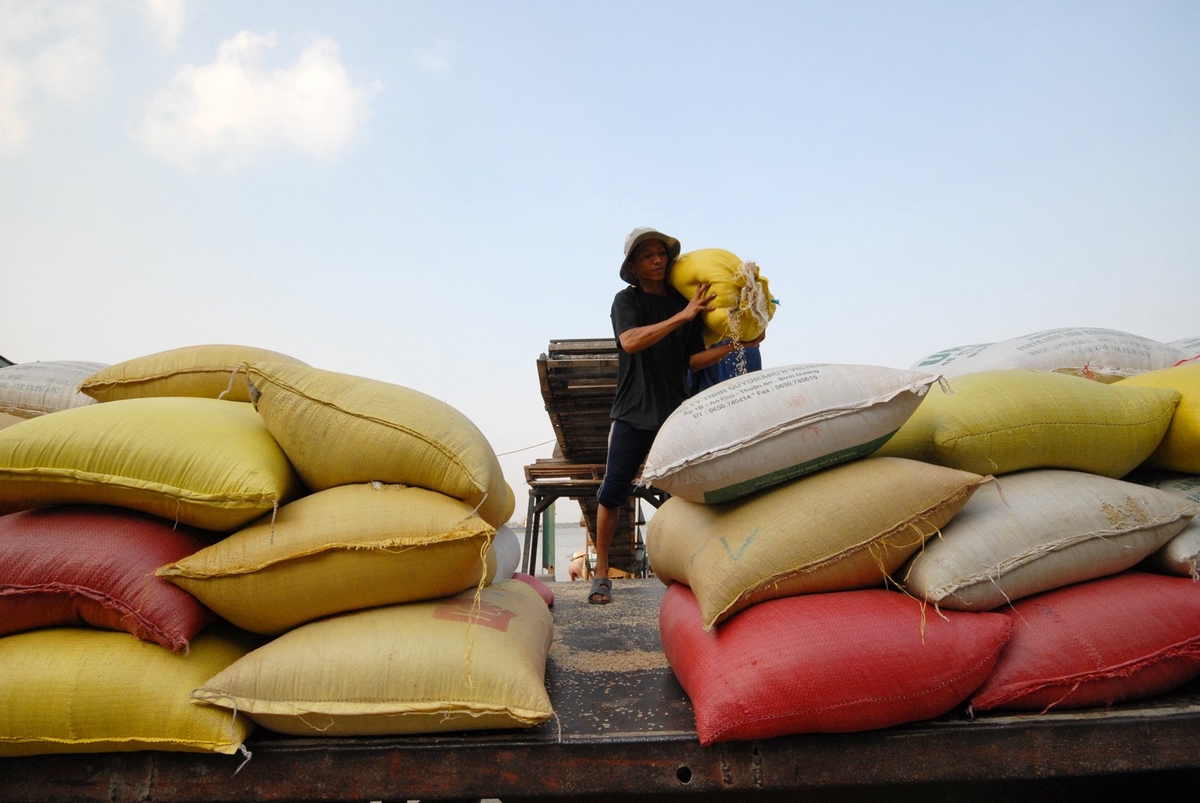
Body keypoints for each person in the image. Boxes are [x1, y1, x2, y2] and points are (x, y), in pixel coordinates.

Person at [589, 227, 750, 605]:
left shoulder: (684, 303)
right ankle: (600, 573)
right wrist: (683, 315)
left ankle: (697, 568)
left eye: (662, 253)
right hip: (632, 411)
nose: (658, 260)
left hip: (675, 413)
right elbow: (630, 341)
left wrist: (734, 345)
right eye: (648, 255)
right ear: (634, 266)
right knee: (613, 491)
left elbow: (691, 360)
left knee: (690, 492)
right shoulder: (625, 301)